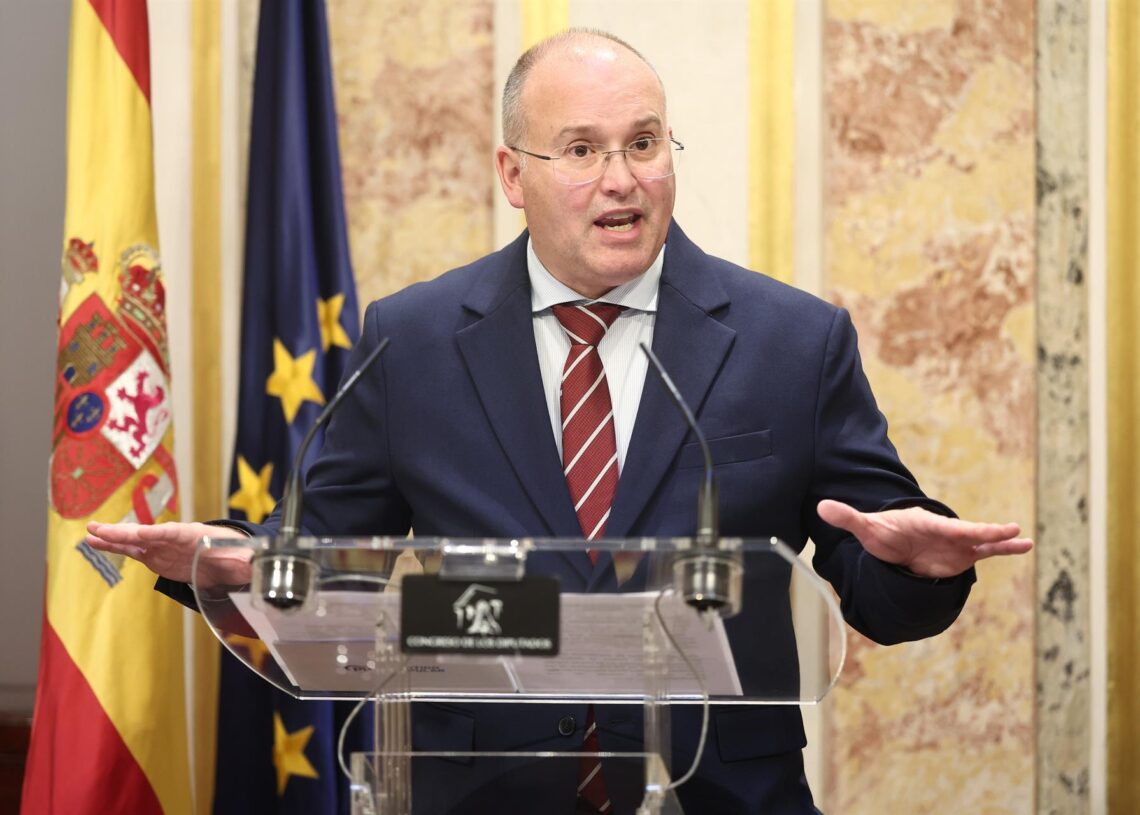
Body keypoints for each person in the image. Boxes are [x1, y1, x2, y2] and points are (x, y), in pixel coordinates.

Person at [87, 28, 1033, 814]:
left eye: (644, 142)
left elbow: (868, 569)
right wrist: (232, 563)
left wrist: (913, 563)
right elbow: (327, 558)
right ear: (513, 171)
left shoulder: (793, 340)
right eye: (581, 150)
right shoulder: (412, 340)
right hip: (478, 793)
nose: (621, 179)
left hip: (715, 795)